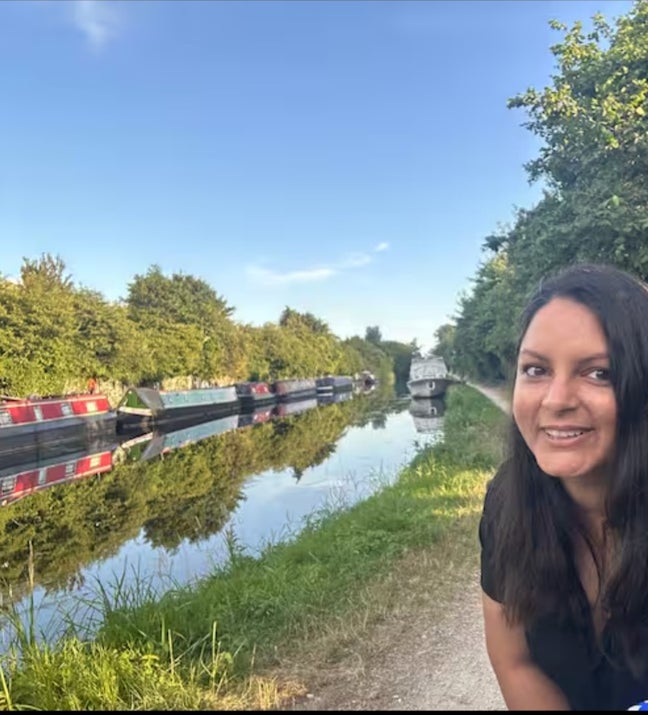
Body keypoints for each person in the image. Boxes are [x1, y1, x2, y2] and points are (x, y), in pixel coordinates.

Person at [479, 262, 648, 711]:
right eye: (535, 370)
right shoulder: (506, 502)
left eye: (598, 373)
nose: (556, 401)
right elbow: (515, 662)